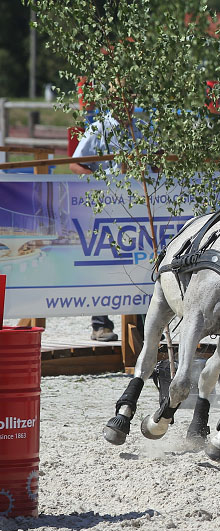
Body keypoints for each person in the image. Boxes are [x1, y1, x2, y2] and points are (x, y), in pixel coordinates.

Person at [70, 89, 141, 342]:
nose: (127, 106)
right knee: (103, 260)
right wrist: (101, 184)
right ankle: (100, 324)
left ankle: (140, 321)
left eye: (130, 100)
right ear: (111, 102)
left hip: (136, 206)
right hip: (106, 205)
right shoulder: (99, 128)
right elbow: (76, 163)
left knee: (139, 260)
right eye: (122, 101)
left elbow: (156, 163)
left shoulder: (141, 128)